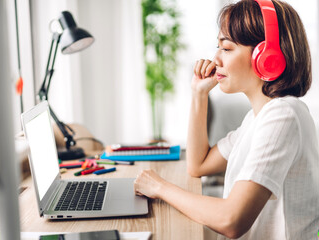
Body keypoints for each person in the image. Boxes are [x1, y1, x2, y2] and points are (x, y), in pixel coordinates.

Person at [134, 0, 319, 239]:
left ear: (266, 58)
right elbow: (198, 165)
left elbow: (231, 220)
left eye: (227, 48)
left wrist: (159, 187)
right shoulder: (257, 118)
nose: (215, 59)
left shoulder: (283, 115)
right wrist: (199, 94)